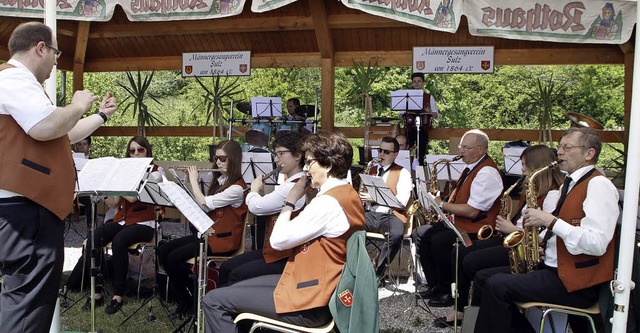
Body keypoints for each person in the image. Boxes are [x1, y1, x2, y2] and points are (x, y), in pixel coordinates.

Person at [0, 22, 117, 331]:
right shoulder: (14, 80)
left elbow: (62, 132)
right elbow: (46, 126)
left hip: (27, 209)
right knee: (28, 305)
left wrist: (100, 116)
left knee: (28, 301)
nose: (56, 60)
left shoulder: (20, 86)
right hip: (25, 211)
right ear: (41, 48)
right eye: (55, 52)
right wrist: (77, 104)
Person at [203, 131, 365, 332]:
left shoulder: (328, 203)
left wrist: (290, 200)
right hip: (316, 284)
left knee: (213, 300)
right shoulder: (346, 193)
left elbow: (279, 241)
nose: (306, 169)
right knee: (233, 287)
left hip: (309, 301)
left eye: (310, 162)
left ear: (329, 165)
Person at [474, 127, 619, 333]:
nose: (559, 152)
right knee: (487, 279)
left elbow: (596, 243)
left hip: (577, 284)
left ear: (589, 154)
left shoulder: (598, 185)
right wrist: (542, 241)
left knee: (497, 285)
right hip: (556, 271)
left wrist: (549, 221)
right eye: (560, 146)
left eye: (567, 147)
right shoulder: (570, 184)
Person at [434, 145, 563, 328]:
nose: (522, 170)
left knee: (474, 266)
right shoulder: (534, 190)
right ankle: (463, 308)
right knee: (462, 252)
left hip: (524, 249)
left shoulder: (552, 195)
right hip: (514, 241)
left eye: (525, 165)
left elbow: (543, 237)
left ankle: (475, 314)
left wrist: (510, 228)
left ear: (538, 167)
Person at [66, 136, 159, 314]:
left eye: (140, 150)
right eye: (132, 151)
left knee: (119, 241)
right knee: (94, 237)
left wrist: (121, 176)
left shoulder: (154, 172)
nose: (136, 154)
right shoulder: (126, 171)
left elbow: (132, 196)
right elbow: (114, 203)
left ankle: (118, 294)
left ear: (147, 151)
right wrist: (104, 185)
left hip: (145, 223)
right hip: (123, 220)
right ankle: (98, 291)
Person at [157, 140, 247, 318]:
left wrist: (194, 180)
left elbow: (205, 202)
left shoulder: (237, 188)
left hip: (223, 241)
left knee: (174, 258)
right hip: (208, 235)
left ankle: (189, 300)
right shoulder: (220, 182)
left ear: (234, 160)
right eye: (216, 158)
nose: (218, 162)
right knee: (163, 250)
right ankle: (188, 297)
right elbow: (202, 208)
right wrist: (188, 182)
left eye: (222, 158)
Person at [415, 129, 502, 307]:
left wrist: (442, 204)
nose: (461, 151)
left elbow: (472, 212)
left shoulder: (487, 173)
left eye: (466, 147)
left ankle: (449, 291)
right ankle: (436, 285)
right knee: (421, 234)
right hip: (460, 224)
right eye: (461, 146)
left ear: (481, 149)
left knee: (440, 241)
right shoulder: (471, 167)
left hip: (477, 229)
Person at [217, 132, 307, 286]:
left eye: (281, 154)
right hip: (274, 251)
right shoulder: (289, 183)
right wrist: (260, 192)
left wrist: (253, 190)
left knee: (235, 274)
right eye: (275, 154)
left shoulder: (293, 185)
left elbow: (257, 207)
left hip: (285, 256)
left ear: (298, 155)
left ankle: (230, 306)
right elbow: (268, 205)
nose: (276, 158)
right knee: (227, 267)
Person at [361, 136, 412, 281]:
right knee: (349, 227)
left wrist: (375, 198)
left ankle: (379, 271)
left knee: (396, 234)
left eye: (386, 152)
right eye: (380, 150)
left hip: (391, 214)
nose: (381, 154)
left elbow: (402, 202)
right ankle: (359, 266)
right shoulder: (371, 170)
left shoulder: (403, 173)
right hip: (371, 213)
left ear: (396, 154)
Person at [403, 72, 439, 166]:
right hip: (409, 128)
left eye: (419, 81)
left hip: (423, 128)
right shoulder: (406, 97)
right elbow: (400, 115)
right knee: (405, 150)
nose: (417, 83)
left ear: (423, 83)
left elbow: (436, 115)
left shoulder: (429, 97)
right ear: (412, 83)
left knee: (421, 153)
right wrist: (404, 114)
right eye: (414, 81)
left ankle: (420, 174)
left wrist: (430, 112)